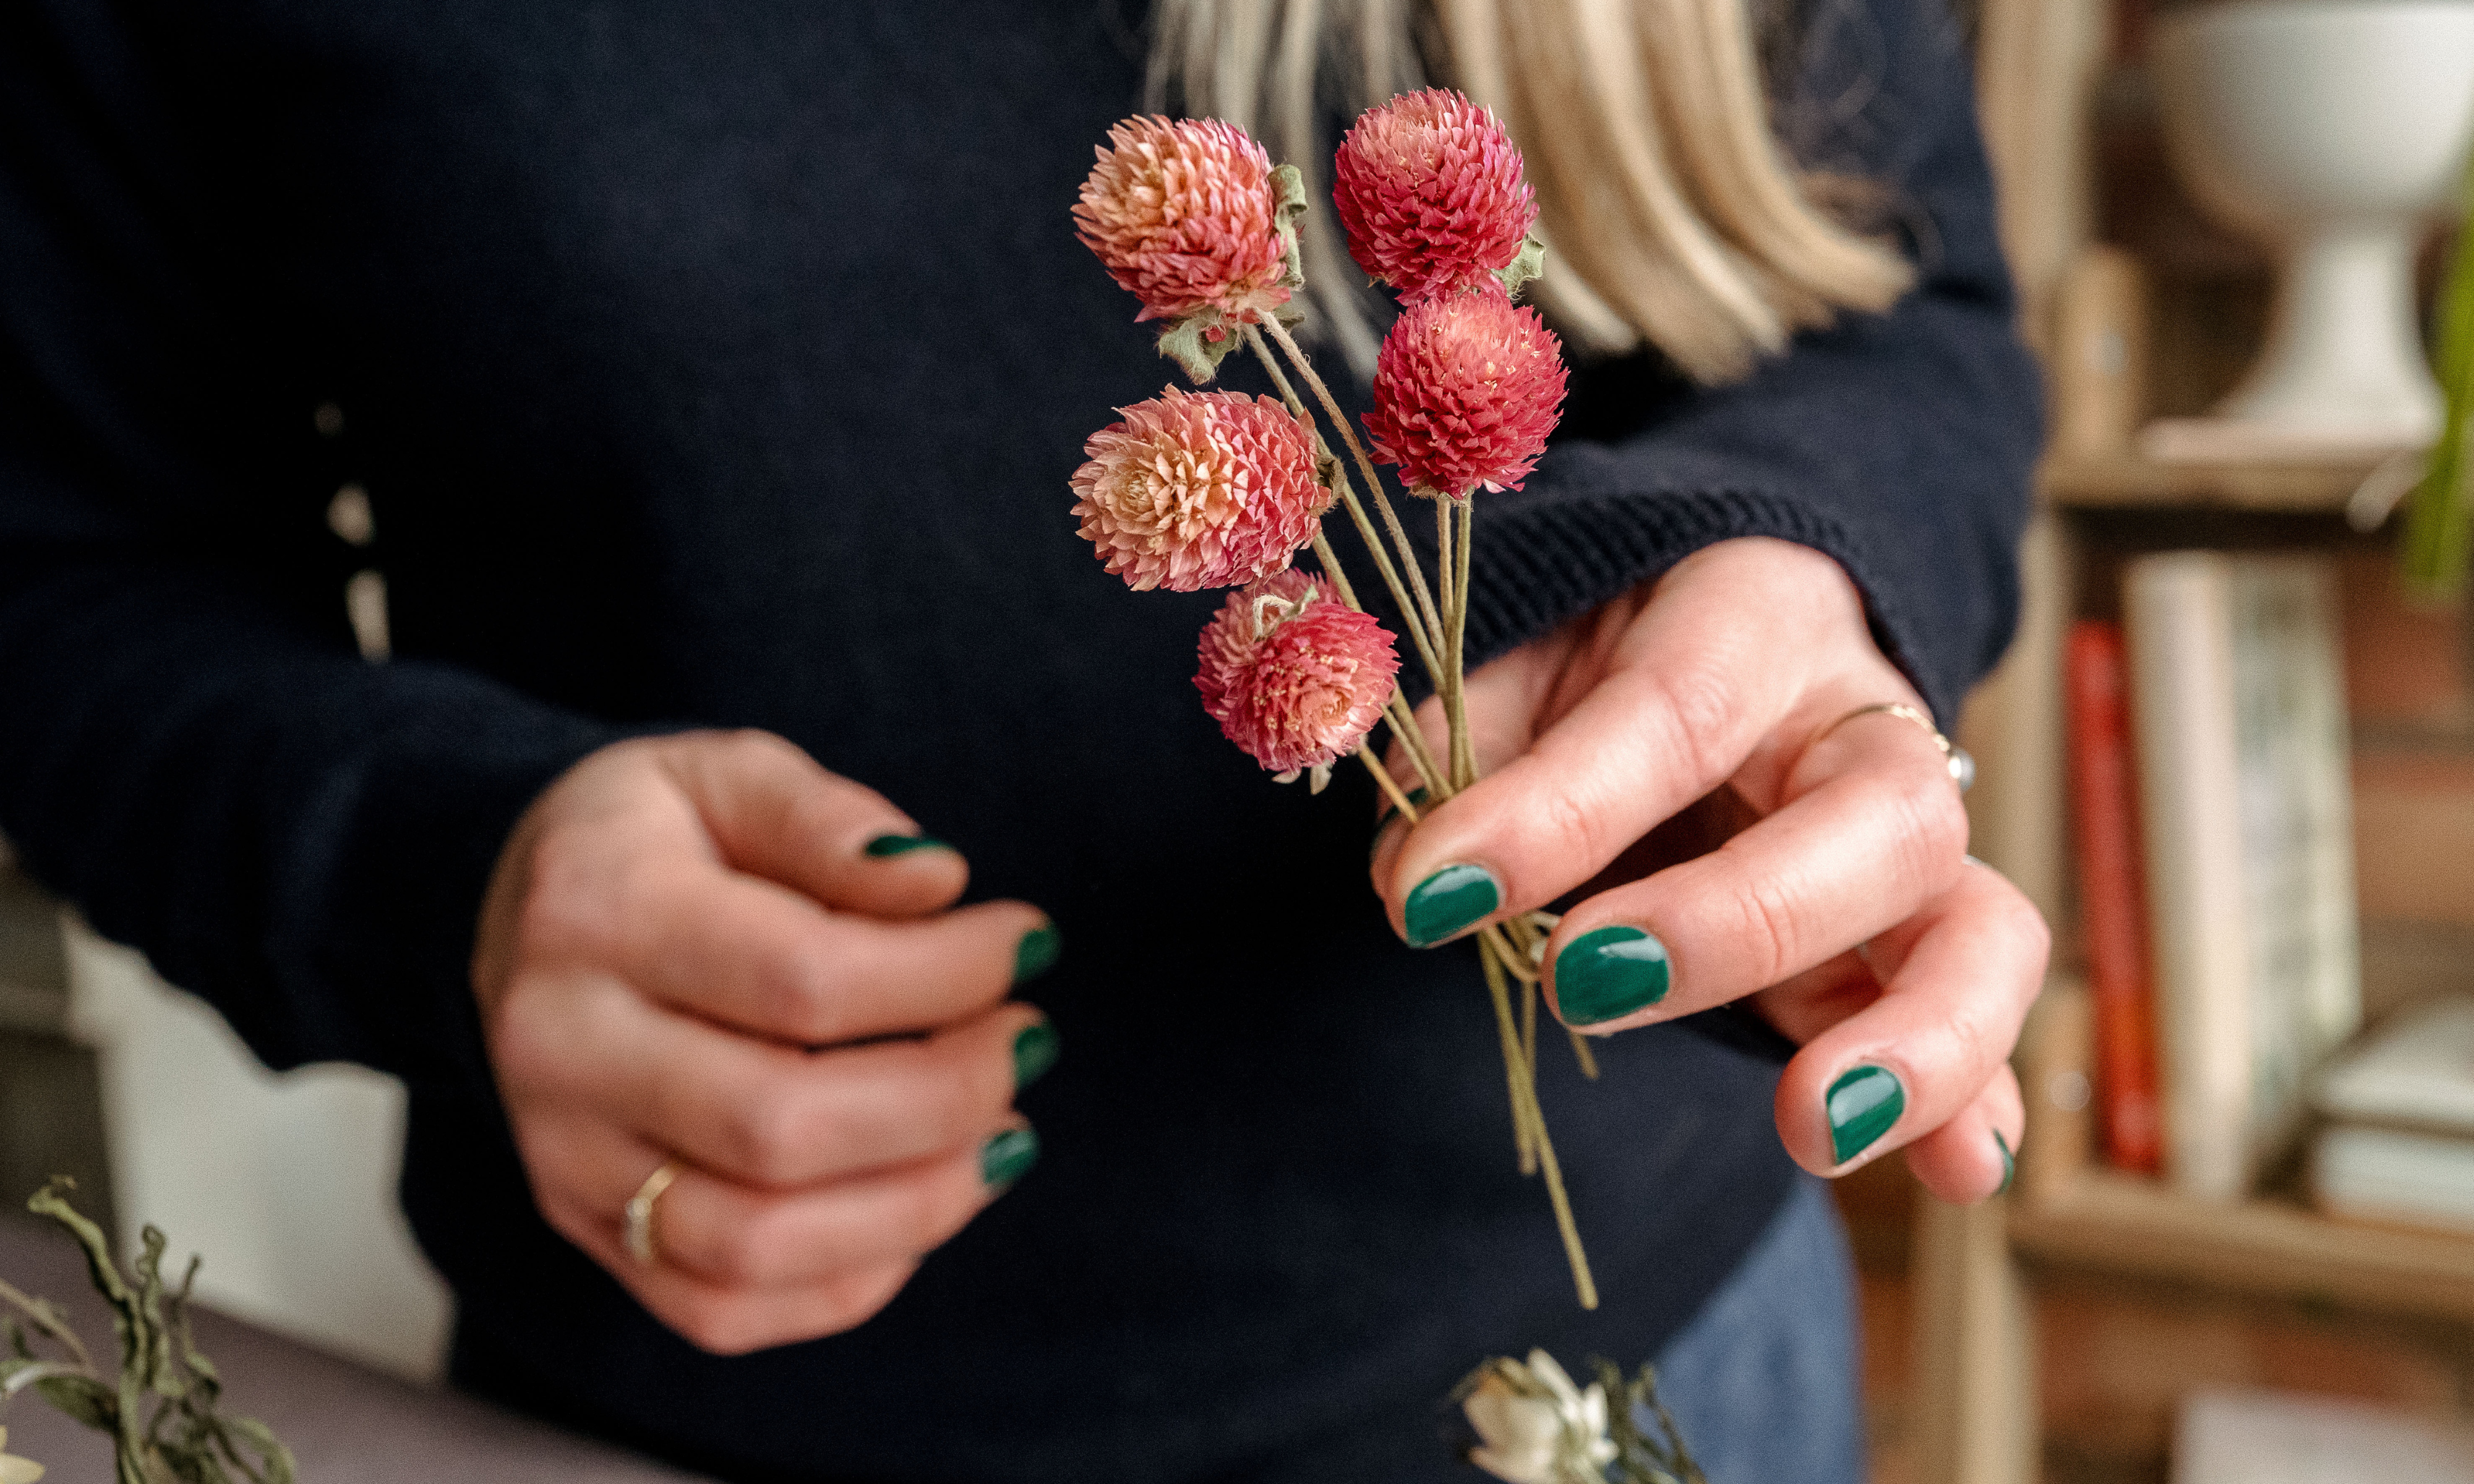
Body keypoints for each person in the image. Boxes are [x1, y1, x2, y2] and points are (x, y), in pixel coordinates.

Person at [0, 0, 2045, 1478]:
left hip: (1642, 1354)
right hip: (712, 1389)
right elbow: (64, 573)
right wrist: (443, 872)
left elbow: (1908, 288)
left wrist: (1802, 572)